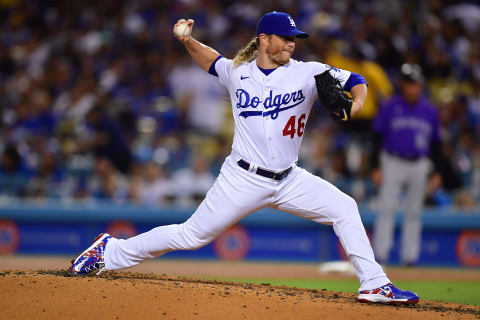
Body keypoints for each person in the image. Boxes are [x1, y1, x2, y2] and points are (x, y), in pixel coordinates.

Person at [70, 12, 418, 304]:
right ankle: (109, 252)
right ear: (265, 39)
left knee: (345, 207)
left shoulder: (308, 71)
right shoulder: (238, 72)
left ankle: (374, 283)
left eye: (294, 38)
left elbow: (357, 80)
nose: (291, 43)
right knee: (191, 236)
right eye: (284, 37)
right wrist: (187, 41)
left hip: (290, 178)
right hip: (242, 178)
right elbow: (211, 60)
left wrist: (355, 104)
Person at [371, 63, 441, 266]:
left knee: (414, 212)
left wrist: (436, 170)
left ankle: (410, 258)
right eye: (409, 83)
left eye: (416, 83)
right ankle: (380, 256)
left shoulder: (429, 110)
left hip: (420, 163)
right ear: (402, 85)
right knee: (386, 209)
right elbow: (376, 137)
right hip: (392, 161)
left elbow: (436, 144)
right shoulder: (390, 106)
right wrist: (376, 166)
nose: (413, 88)